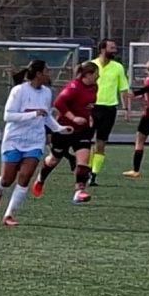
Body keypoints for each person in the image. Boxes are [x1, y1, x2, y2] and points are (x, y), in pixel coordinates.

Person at [0, 58, 67, 226]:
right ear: (38, 74)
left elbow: (46, 116)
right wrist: (32, 114)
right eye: (47, 71)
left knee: (25, 177)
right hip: (14, 140)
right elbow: (8, 116)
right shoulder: (19, 91)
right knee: (7, 179)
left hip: (35, 141)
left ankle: (9, 215)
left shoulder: (47, 92)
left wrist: (59, 128)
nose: (49, 74)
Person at [34, 60, 101, 205]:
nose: (98, 77)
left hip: (83, 130)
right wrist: (73, 118)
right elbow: (59, 103)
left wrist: (89, 116)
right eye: (96, 74)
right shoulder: (74, 87)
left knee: (83, 160)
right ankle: (40, 179)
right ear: (87, 74)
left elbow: (88, 105)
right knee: (53, 159)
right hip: (64, 129)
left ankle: (79, 192)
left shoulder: (94, 87)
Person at [87, 39, 130, 186]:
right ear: (102, 49)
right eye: (112, 48)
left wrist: (126, 109)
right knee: (85, 141)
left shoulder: (118, 67)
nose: (115, 50)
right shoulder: (91, 66)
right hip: (91, 108)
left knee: (101, 143)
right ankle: (83, 170)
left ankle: (93, 174)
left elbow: (123, 89)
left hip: (109, 109)